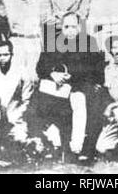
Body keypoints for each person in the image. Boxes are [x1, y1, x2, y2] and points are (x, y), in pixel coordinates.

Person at [33, 12, 105, 160]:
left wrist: (73, 76)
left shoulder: (89, 42)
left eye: (73, 26)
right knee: (40, 102)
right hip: (58, 87)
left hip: (80, 86)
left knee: (78, 100)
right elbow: (41, 66)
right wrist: (53, 74)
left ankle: (77, 146)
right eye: (66, 26)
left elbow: (96, 71)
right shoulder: (53, 42)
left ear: (79, 27)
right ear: (61, 27)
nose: (70, 30)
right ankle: (52, 142)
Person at [0, 41, 34, 144]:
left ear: (12, 54)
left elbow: (27, 101)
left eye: (5, 54)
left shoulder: (22, 73)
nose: (2, 58)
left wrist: (15, 116)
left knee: (19, 141)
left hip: (15, 118)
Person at [6, 0, 42, 79]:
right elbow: (8, 26)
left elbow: (40, 26)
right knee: (15, 73)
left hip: (33, 42)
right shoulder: (10, 5)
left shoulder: (36, 5)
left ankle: (28, 96)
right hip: (17, 41)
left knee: (32, 74)